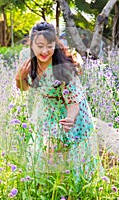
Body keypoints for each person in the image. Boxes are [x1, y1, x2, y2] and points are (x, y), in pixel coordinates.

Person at [15, 21, 101, 190]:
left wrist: (70, 119)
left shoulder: (63, 68)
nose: (45, 51)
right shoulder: (29, 61)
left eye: (50, 45)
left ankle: (74, 191)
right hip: (47, 111)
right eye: (40, 46)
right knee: (45, 153)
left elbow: (74, 101)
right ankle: (46, 189)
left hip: (71, 112)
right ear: (31, 44)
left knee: (72, 156)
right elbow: (24, 87)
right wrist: (20, 77)